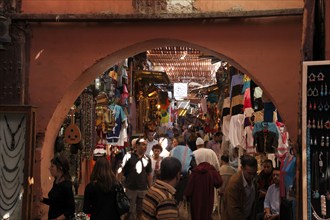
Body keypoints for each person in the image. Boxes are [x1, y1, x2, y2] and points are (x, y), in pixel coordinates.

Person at [118, 137, 152, 220]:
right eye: (143, 144)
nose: (145, 147)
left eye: (146, 145)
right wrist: (119, 183)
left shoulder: (147, 159)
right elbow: (121, 171)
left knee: (141, 211)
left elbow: (148, 174)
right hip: (130, 188)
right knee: (129, 211)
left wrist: (150, 187)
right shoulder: (128, 156)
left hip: (143, 188)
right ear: (137, 145)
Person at [222, 155, 259, 220]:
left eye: (254, 173)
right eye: (249, 173)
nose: (252, 176)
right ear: (242, 168)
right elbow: (233, 211)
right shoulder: (234, 184)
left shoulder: (254, 180)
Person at [40, 155, 75, 220]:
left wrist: (57, 219)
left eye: (52, 166)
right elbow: (54, 202)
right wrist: (42, 199)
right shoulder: (56, 182)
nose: (50, 168)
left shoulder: (66, 186)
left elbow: (70, 209)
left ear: (60, 168)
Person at [169, 135, 195, 204]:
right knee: (183, 197)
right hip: (185, 178)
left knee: (174, 197)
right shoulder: (189, 150)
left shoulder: (173, 150)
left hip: (173, 177)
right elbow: (193, 166)